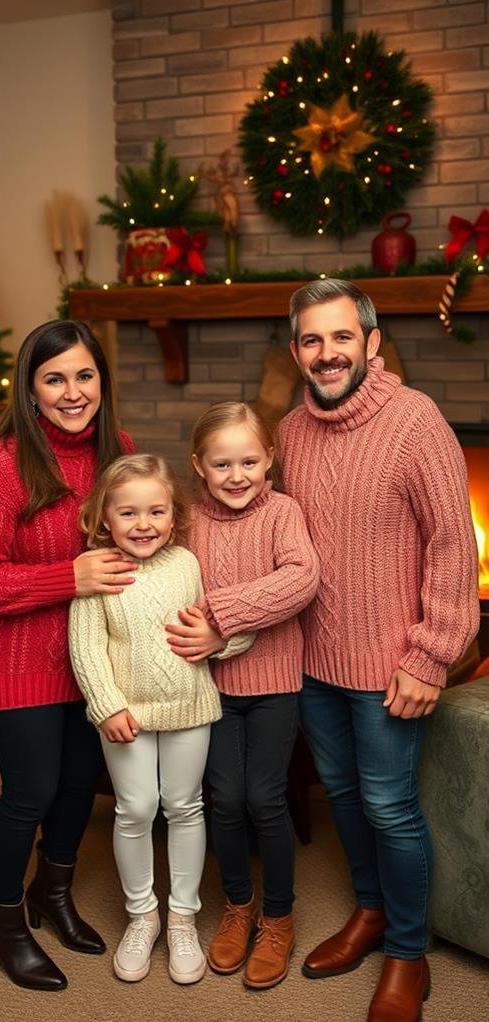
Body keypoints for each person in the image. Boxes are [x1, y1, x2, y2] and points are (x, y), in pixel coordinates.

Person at [277, 279, 480, 1022]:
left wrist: (430, 655)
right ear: (295, 351)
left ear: (369, 343)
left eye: (339, 338)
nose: (325, 354)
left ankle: (405, 950)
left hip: (391, 665)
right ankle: (367, 912)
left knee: (390, 808)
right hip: (312, 662)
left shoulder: (415, 420)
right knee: (342, 797)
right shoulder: (289, 432)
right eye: (309, 340)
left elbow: (453, 545)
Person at [0, 319, 137, 992]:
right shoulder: (0, 465)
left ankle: (51, 894)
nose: (72, 391)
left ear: (101, 381)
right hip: (14, 658)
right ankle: (4, 921)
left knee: (77, 786)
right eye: (54, 378)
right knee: (29, 790)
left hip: (91, 661)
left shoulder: (119, 452)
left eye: (84, 375)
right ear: (30, 391)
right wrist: (72, 575)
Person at [68, 453, 254, 987]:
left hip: (189, 707)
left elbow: (219, 620)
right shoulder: (100, 568)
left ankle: (181, 917)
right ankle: (141, 914)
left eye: (155, 512)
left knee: (184, 806)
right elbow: (86, 645)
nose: (143, 525)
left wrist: (228, 637)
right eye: (128, 513)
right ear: (105, 517)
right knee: (135, 808)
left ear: (174, 515)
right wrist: (106, 705)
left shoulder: (186, 565)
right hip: (125, 712)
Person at [166, 402, 319, 990]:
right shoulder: (188, 525)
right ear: (199, 466)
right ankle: (238, 906)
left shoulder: (283, 512)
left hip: (276, 685)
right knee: (224, 800)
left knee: (264, 798)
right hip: (211, 692)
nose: (237, 476)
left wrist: (222, 617)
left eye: (249, 461)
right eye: (222, 463)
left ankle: (278, 917)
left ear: (269, 460)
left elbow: (302, 578)